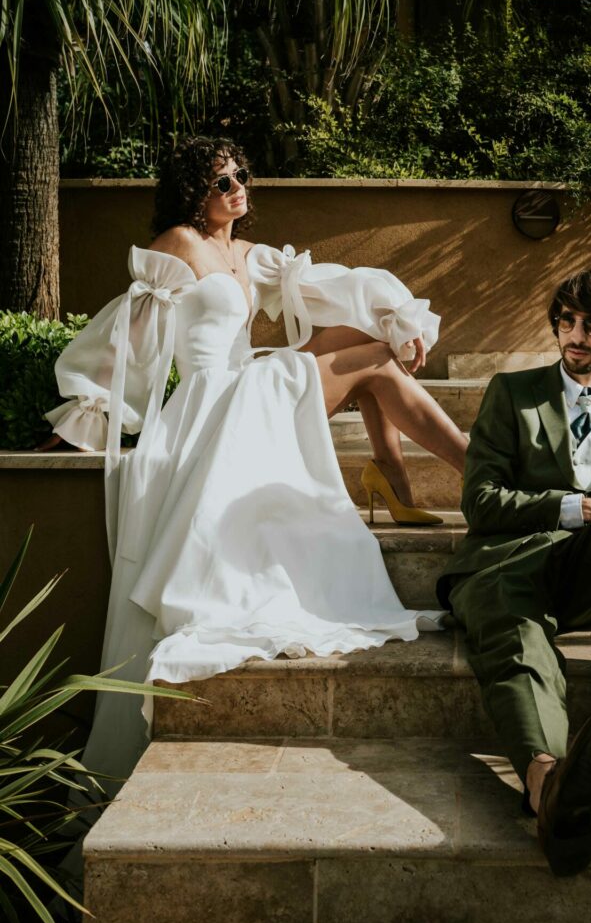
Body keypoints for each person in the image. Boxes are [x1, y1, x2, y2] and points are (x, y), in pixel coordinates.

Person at [41, 136, 467, 790]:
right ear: (193, 192)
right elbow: (126, 338)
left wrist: (398, 317)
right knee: (375, 362)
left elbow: (331, 286)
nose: (237, 186)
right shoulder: (177, 245)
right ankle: (476, 471)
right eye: (221, 181)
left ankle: (402, 473)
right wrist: (88, 412)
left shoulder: (249, 254)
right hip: (212, 403)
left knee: (375, 338)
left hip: (250, 389)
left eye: (241, 174)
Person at [436, 266, 591, 877]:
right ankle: (551, 788)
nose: (575, 335)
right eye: (566, 321)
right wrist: (568, 506)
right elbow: (479, 501)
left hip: (588, 571)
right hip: (509, 561)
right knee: (517, 636)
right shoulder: (513, 393)